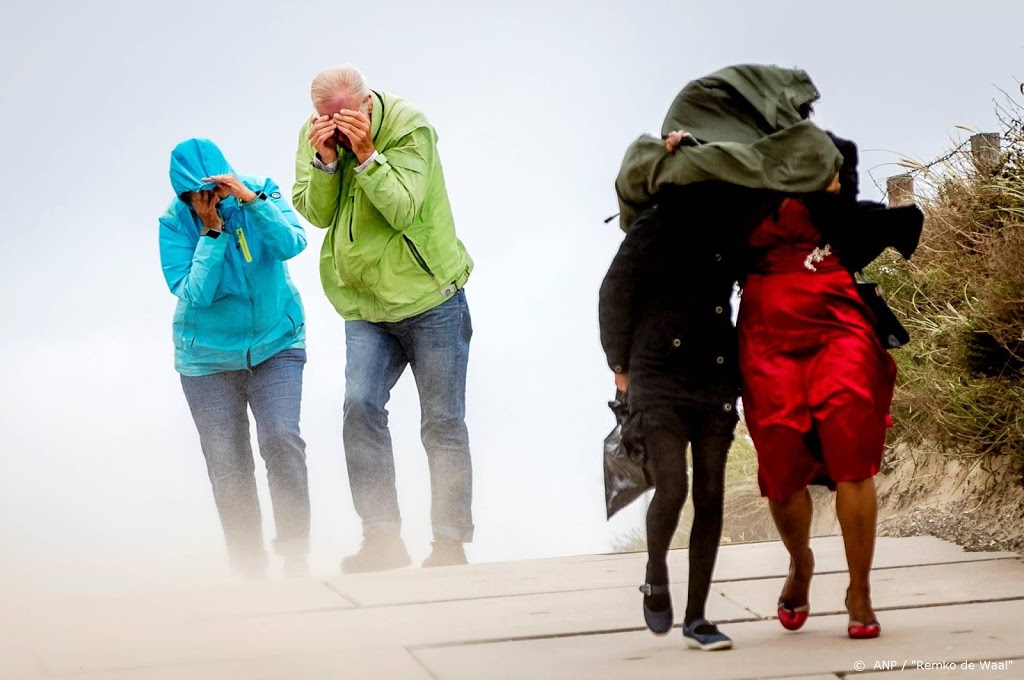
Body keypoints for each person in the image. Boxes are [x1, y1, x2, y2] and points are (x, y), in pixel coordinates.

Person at [292, 64, 475, 572]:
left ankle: (449, 541)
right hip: (366, 306)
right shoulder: (315, 134)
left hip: (430, 299)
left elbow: (403, 208)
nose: (338, 125)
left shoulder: (409, 127)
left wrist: (368, 154)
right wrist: (326, 161)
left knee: (442, 423)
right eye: (326, 118)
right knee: (359, 406)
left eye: (348, 116)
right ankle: (382, 538)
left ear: (367, 103)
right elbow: (315, 212)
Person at [735, 128, 898, 640]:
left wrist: (831, 186)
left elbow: (846, 211)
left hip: (836, 316)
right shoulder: (737, 166)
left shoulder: (830, 150)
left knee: (852, 448)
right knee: (781, 466)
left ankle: (860, 591)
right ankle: (800, 564)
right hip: (766, 328)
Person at [599, 179, 755, 651]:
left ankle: (698, 618)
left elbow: (755, 280)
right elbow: (615, 293)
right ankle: (655, 572)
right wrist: (620, 368)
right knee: (674, 485)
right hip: (658, 374)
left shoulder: (732, 225)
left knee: (710, 491)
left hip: (715, 372)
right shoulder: (655, 223)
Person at [159, 138, 310, 578]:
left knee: (281, 439)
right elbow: (194, 293)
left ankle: (296, 553)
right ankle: (248, 566)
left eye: (217, 191)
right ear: (184, 196)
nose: (211, 202)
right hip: (206, 361)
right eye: (197, 197)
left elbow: (292, 243)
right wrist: (210, 232)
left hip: (277, 342)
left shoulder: (260, 190)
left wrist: (250, 201)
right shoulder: (173, 223)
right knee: (228, 461)